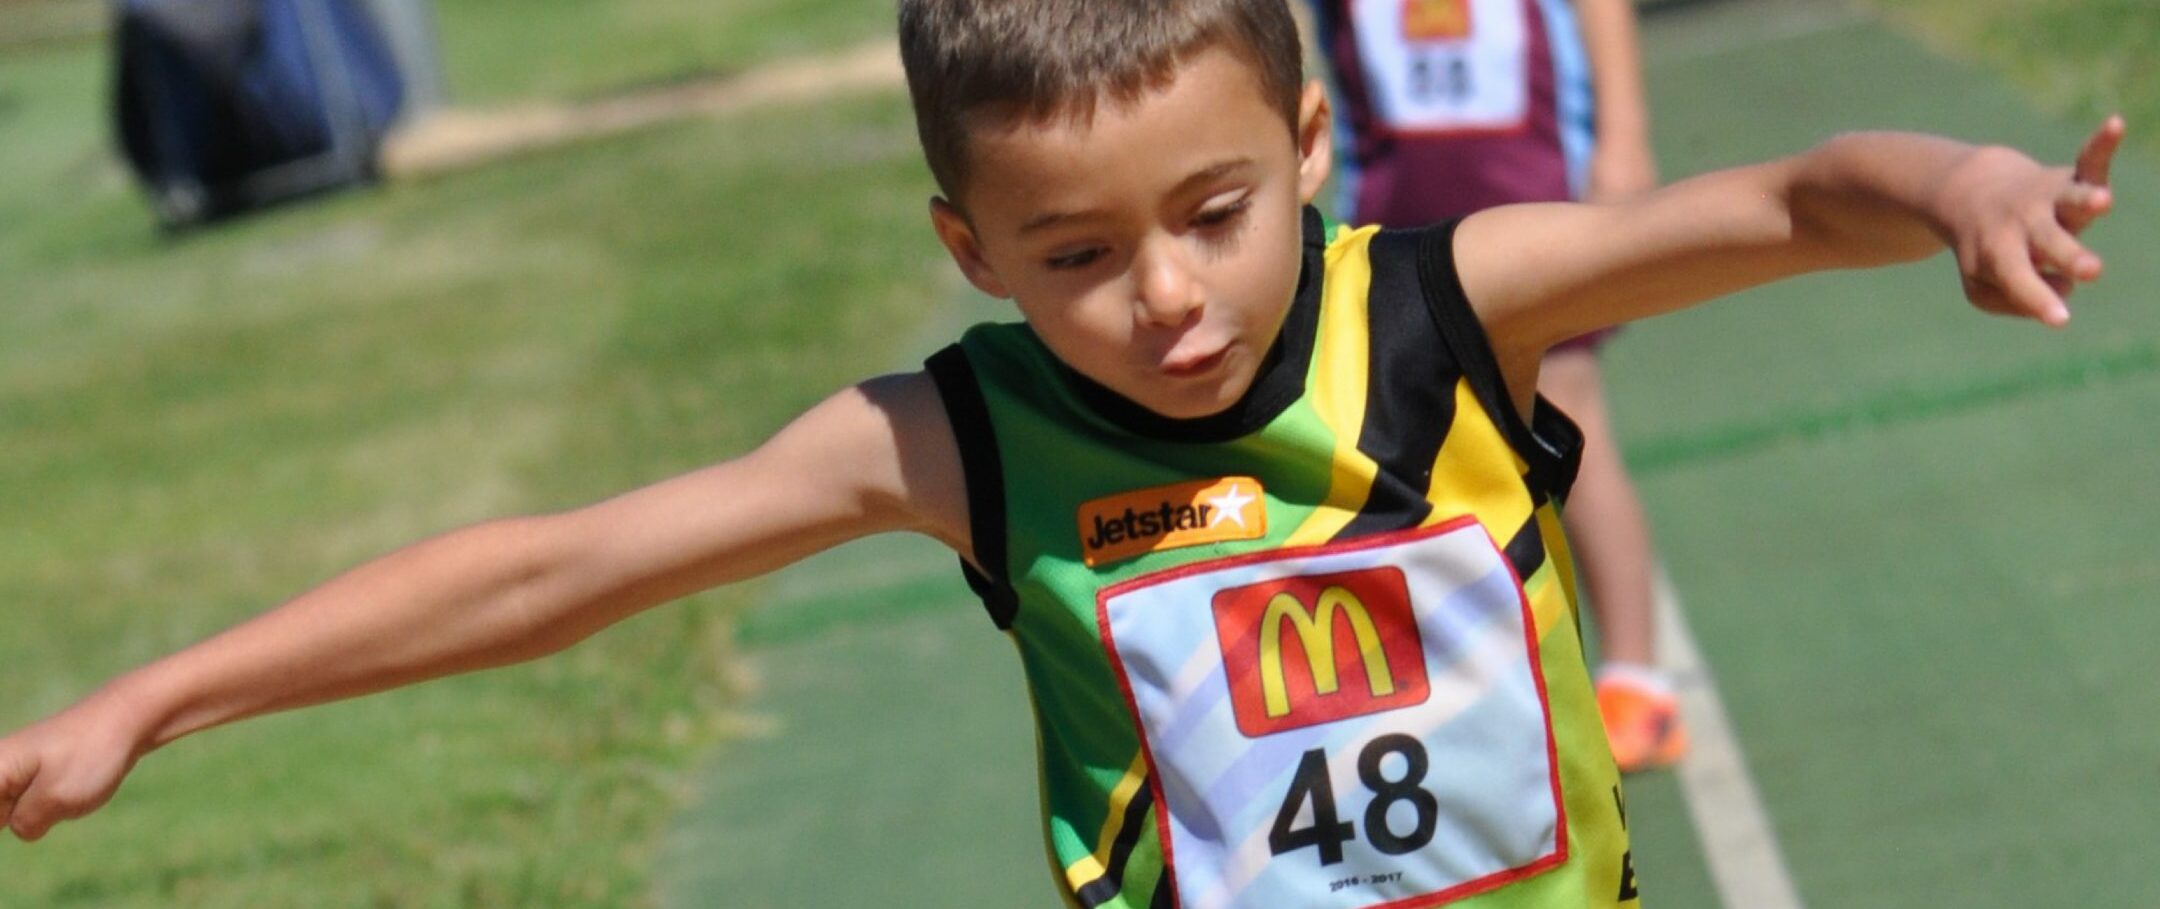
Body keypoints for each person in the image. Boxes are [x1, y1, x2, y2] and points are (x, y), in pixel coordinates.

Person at [0, 1, 2121, 906]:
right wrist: (160, 697)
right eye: (1079, 255)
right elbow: (562, 565)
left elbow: (1788, 196)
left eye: (1215, 215)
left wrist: (1960, 187)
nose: (1169, 302)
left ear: (1311, 144)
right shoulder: (964, 437)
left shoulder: (1449, 303)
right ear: (968, 246)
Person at [1304, 0, 1683, 772]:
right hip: (1396, 203)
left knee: (1566, 405)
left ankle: (1637, 676)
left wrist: (1624, 137)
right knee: (1395, 438)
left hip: (1528, 174)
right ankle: (1433, 686)